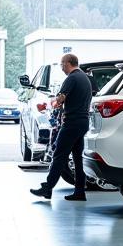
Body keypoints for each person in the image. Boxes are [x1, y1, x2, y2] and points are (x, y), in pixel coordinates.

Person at [30, 53, 92, 201]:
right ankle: (79, 191)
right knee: (78, 158)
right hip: (83, 122)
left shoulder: (71, 78)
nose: (61, 67)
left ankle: (47, 188)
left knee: (59, 154)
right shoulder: (84, 78)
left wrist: (52, 103)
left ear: (67, 63)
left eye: (62, 64)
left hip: (71, 123)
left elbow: (60, 99)